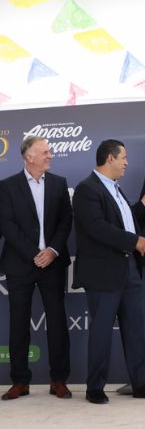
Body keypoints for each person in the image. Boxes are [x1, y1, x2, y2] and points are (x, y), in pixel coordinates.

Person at [72, 139, 145, 404]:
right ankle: (95, 388)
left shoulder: (115, 189)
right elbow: (97, 227)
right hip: (104, 272)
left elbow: (122, 221)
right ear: (109, 159)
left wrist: (142, 205)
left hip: (128, 269)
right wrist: (135, 241)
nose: (127, 162)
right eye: (123, 157)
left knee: (135, 330)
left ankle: (142, 384)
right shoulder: (86, 189)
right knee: (101, 331)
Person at [0, 136, 72, 401]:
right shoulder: (7, 187)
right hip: (20, 264)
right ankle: (20, 381)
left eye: (50, 151)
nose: (50, 155)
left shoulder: (59, 183)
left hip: (52, 263)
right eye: (45, 152)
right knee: (18, 323)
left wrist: (51, 251)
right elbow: (7, 225)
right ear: (29, 156)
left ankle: (59, 380)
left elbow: (66, 221)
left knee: (57, 322)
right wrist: (34, 254)